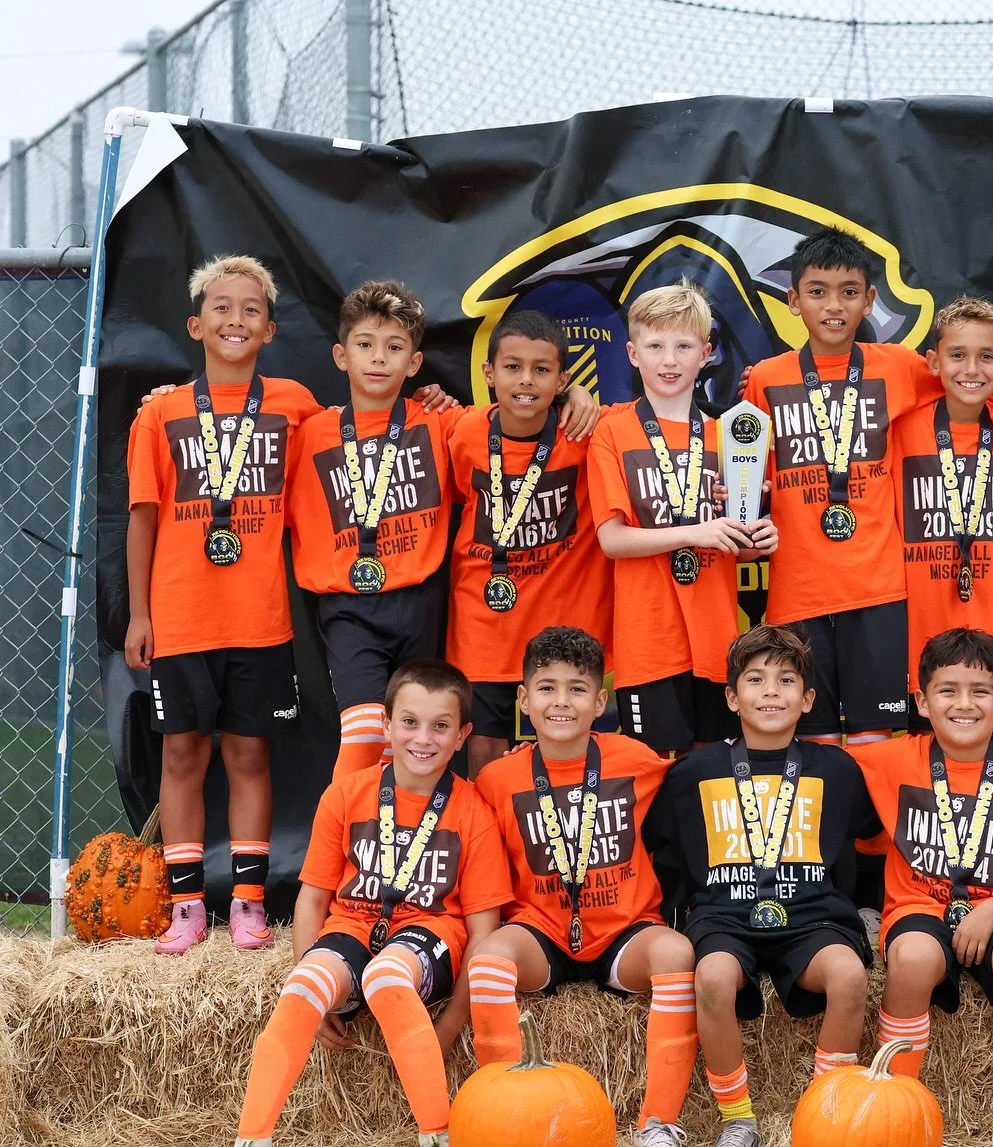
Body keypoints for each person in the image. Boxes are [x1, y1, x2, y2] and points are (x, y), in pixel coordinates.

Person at [288, 285, 601, 781]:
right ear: (340, 355)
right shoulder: (303, 430)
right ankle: (341, 849)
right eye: (365, 344)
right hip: (349, 605)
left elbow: (518, 414)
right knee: (367, 733)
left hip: (423, 604)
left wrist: (573, 393)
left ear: (414, 364)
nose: (377, 359)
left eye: (394, 348)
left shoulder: (443, 422)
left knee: (421, 736)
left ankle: (403, 843)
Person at [125, 255, 322, 954]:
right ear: (195, 324)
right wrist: (140, 614)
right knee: (181, 752)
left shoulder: (296, 404)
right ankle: (185, 904)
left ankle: (245, 901)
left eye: (250, 309)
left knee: (248, 752)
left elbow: (359, 442)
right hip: (181, 615)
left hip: (260, 617)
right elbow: (143, 517)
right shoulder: (162, 414)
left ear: (269, 328)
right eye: (221, 307)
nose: (235, 319)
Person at [234, 660, 508, 1147]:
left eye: (440, 726)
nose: (423, 738)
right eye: (409, 722)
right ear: (386, 725)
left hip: (430, 936)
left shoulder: (474, 813)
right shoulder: (345, 795)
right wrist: (318, 999)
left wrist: (449, 1025)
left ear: (463, 735)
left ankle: (436, 1132)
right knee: (302, 985)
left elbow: (485, 933)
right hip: (354, 928)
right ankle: (252, 1137)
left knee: (385, 975)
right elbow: (313, 898)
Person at [645, 625, 880, 1147]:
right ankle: (739, 1118)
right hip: (726, 918)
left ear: (809, 698)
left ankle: (826, 1107)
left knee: (848, 975)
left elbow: (877, 828)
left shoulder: (839, 769)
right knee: (710, 978)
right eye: (755, 680)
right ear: (732, 697)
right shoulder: (693, 774)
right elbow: (663, 844)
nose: (771, 691)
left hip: (815, 917)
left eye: (786, 680)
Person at [849, 629, 993, 1147]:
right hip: (920, 909)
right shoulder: (888, 762)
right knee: (909, 960)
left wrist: (990, 913)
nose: (963, 704)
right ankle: (895, 1117)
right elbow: (820, 774)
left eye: (980, 691)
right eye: (946, 690)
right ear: (921, 701)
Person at [465, 627, 697, 1147]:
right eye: (546, 688)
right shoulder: (496, 781)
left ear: (600, 701)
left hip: (625, 932)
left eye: (576, 688)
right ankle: (506, 1117)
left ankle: (657, 1125)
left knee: (678, 954)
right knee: (488, 963)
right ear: (523, 700)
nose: (561, 702)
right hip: (540, 930)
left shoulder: (636, 759)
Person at [741, 227, 941, 746]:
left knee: (876, 744)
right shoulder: (766, 378)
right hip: (796, 591)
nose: (834, 305)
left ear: (870, 300)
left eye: (849, 292)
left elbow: (977, 386)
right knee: (814, 746)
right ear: (792, 300)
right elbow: (750, 477)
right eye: (817, 291)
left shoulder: (903, 367)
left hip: (877, 589)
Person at [589, 282, 778, 753]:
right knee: (651, 777)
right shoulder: (612, 431)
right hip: (647, 639)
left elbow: (738, 540)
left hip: (716, 640)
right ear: (633, 354)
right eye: (655, 346)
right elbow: (612, 541)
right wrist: (700, 530)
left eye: (683, 346)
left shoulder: (733, 435)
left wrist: (761, 536)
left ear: (706, 353)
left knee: (712, 773)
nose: (669, 360)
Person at [447, 310, 613, 774]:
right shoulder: (459, 431)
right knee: (484, 750)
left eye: (542, 370)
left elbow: (656, 418)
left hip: (566, 622)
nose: (526, 380)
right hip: (483, 624)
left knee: (573, 741)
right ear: (488, 373)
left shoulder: (585, 431)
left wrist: (583, 398)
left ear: (561, 379)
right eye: (513, 367)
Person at [890, 296, 993, 743]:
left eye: (986, 356)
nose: (972, 368)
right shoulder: (899, 429)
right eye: (957, 355)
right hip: (918, 650)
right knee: (925, 784)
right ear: (933, 362)